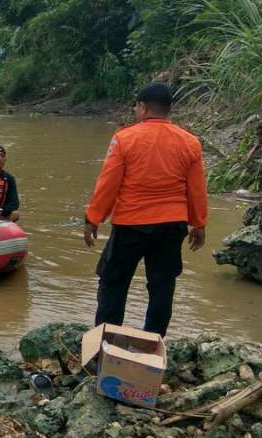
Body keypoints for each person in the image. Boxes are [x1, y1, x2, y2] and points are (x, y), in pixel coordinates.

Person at [83, 82, 208, 337]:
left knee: (113, 283)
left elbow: (108, 183)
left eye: (136, 107)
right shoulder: (190, 142)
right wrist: (199, 223)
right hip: (172, 224)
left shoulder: (125, 138)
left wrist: (93, 218)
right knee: (162, 287)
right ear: (169, 109)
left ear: (142, 107)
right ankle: (153, 343)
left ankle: (107, 342)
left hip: (131, 223)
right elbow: (196, 188)